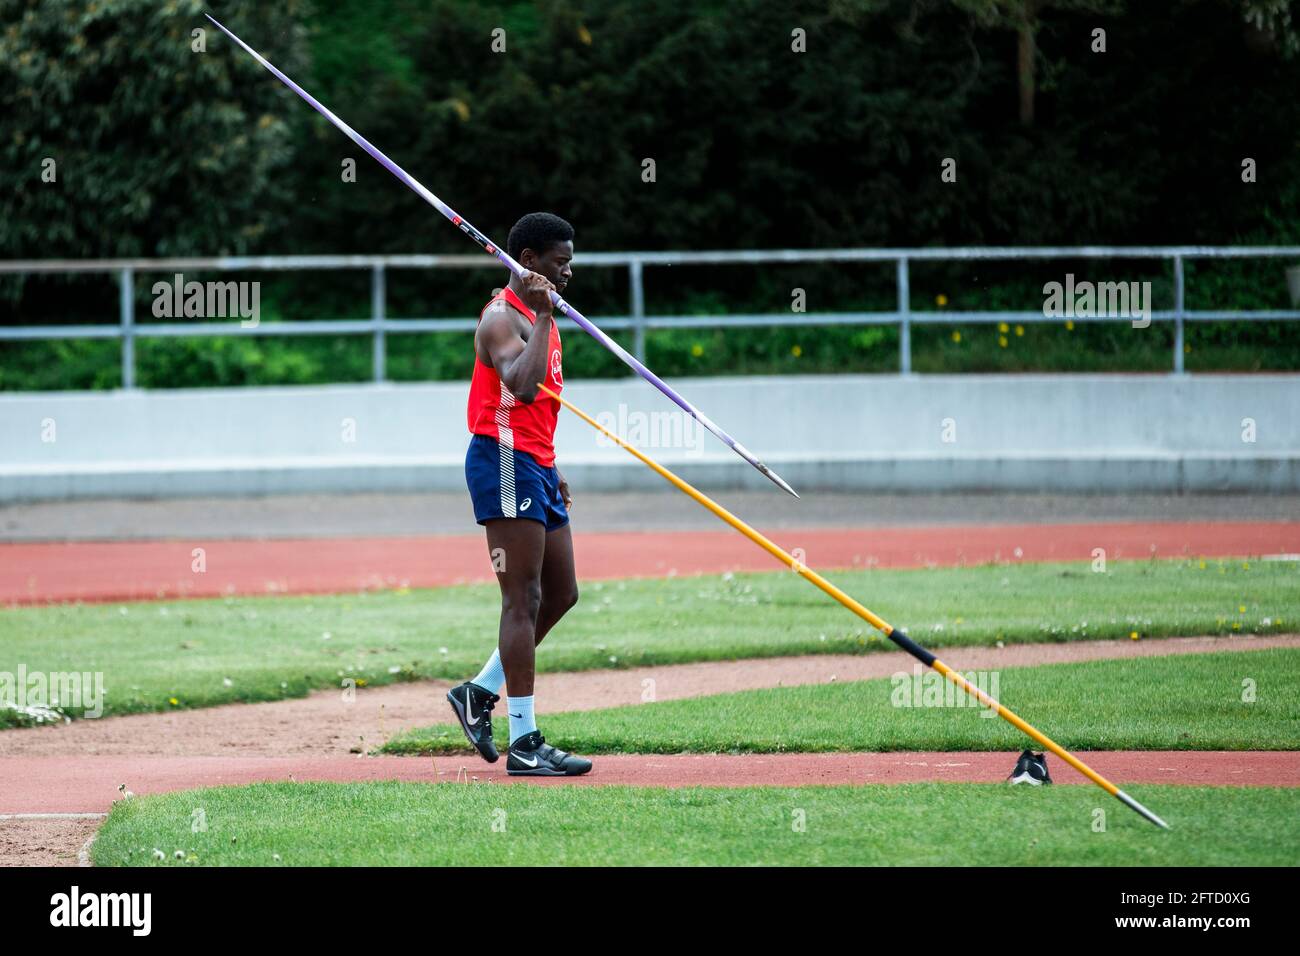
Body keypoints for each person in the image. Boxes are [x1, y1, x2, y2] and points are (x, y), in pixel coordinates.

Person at [446, 212, 591, 776]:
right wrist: (548, 312)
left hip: (534, 463)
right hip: (503, 462)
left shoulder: (537, 315)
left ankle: (478, 692)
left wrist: (552, 465)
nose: (569, 271)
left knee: (562, 592)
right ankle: (525, 743)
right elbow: (524, 386)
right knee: (522, 598)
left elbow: (543, 407)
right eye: (560, 261)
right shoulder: (500, 320)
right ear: (529, 262)